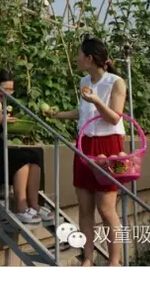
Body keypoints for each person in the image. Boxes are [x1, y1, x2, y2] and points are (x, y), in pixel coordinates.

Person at [47, 37, 126, 267]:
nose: (77, 58)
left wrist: (96, 100)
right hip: (85, 145)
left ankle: (114, 262)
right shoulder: (84, 81)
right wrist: (58, 114)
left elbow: (114, 118)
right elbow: (84, 113)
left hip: (109, 146)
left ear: (89, 58)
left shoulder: (116, 82)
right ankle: (88, 258)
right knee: (85, 208)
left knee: (106, 208)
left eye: (80, 54)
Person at [0, 70, 53, 224]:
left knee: (35, 155)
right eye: (4, 89)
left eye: (10, 90)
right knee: (21, 159)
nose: (7, 93)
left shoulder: (4, 103)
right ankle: (21, 207)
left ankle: (34, 204)